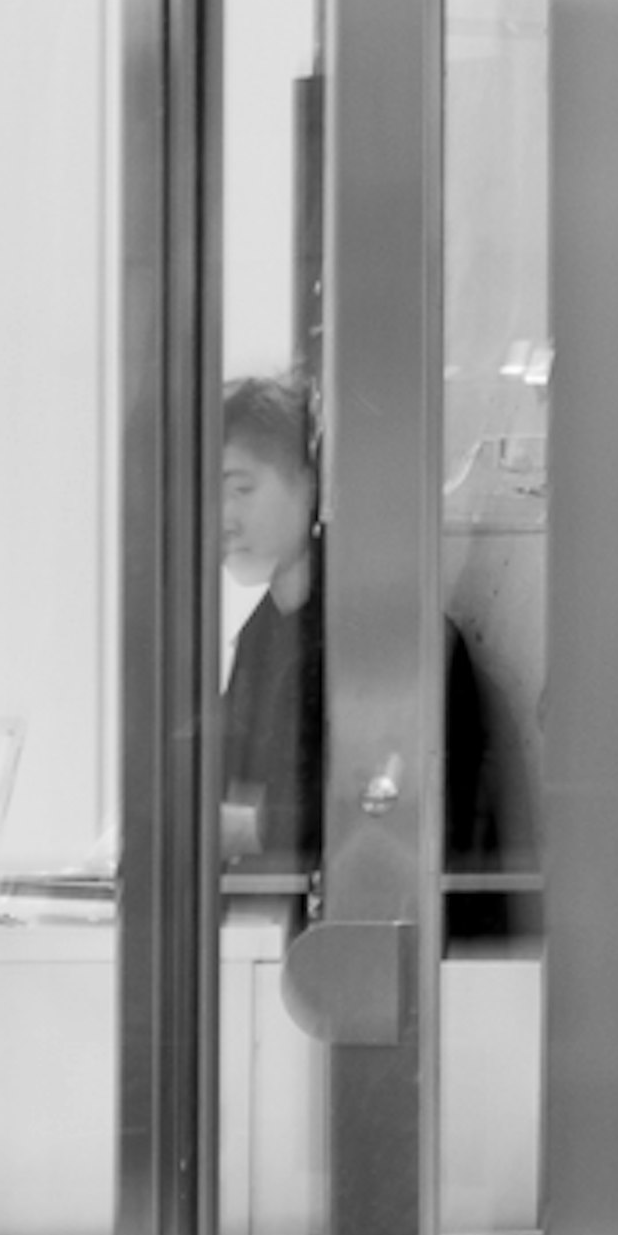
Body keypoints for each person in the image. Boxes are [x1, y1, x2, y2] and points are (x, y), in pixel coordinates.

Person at [213, 375, 509, 920]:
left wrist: (244, 826)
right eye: (210, 493)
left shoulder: (376, 627)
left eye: (241, 488)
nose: (223, 518)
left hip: (411, 947)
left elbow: (381, 805)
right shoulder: (264, 633)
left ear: (310, 484)